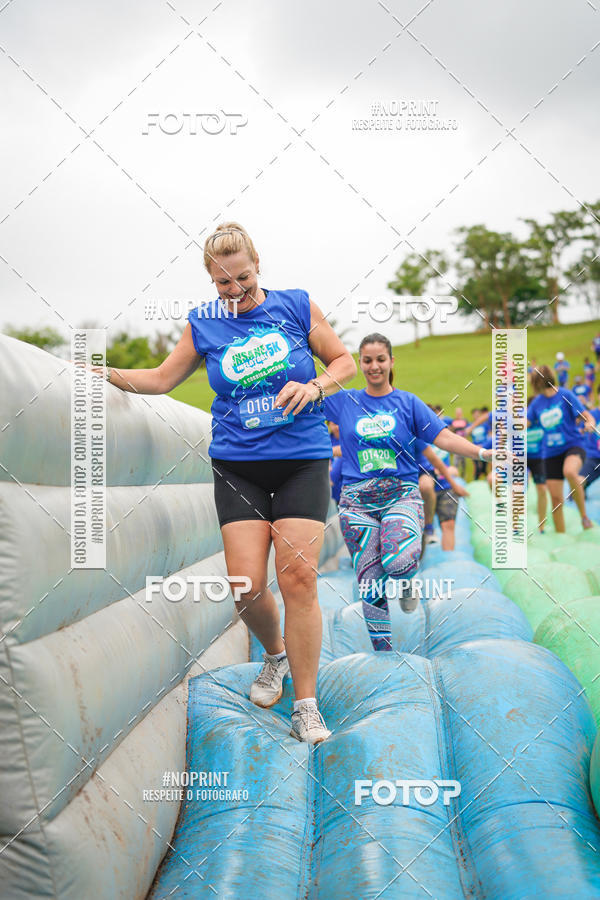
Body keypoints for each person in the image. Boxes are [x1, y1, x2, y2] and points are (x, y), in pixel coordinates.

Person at [97, 222, 356, 744]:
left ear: (258, 265)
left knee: (298, 578)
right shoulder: (203, 324)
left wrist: (314, 386)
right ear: (210, 280)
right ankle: (275, 656)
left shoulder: (296, 305)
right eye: (223, 283)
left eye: (243, 278)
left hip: (301, 460)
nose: (235, 291)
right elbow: (161, 378)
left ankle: (306, 705)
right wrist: (100, 371)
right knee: (244, 586)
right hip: (238, 466)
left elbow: (343, 362)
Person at [323, 333, 499, 652]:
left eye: (380, 359)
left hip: (400, 496)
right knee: (370, 581)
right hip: (356, 503)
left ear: (391, 361)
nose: (374, 366)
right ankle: (384, 653)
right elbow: (306, 403)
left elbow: (444, 438)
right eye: (367, 360)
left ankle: (406, 581)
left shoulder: (408, 403)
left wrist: (483, 453)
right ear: (359, 363)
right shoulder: (345, 402)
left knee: (399, 562)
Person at [528, 366, 596, 531]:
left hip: (573, 446)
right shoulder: (537, 403)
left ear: (537, 383)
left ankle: (584, 517)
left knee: (570, 471)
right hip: (550, 453)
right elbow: (526, 422)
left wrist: (590, 423)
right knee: (556, 500)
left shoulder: (566, 395)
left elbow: (587, 415)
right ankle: (561, 534)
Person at [416, 442, 467, 545]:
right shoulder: (415, 438)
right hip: (423, 489)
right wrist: (442, 471)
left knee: (448, 525)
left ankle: (449, 555)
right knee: (421, 533)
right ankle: (428, 528)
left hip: (445, 488)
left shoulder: (442, 437)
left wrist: (454, 483)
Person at [526, 396, 549, 533]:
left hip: (538, 459)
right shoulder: (520, 420)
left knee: (542, 490)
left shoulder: (544, 420)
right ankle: (515, 525)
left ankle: (541, 526)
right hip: (521, 458)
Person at [579, 385, 600, 499]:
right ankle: (583, 487)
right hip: (594, 457)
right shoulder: (592, 415)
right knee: (578, 486)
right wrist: (586, 427)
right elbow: (580, 430)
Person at [465, 407, 491, 479]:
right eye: (475, 414)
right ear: (473, 415)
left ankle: (486, 481)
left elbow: (489, 435)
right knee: (477, 468)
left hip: (484, 447)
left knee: (484, 468)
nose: (476, 415)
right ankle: (475, 480)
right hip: (475, 448)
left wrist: (485, 444)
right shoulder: (470, 425)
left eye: (477, 414)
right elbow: (466, 435)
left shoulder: (485, 425)